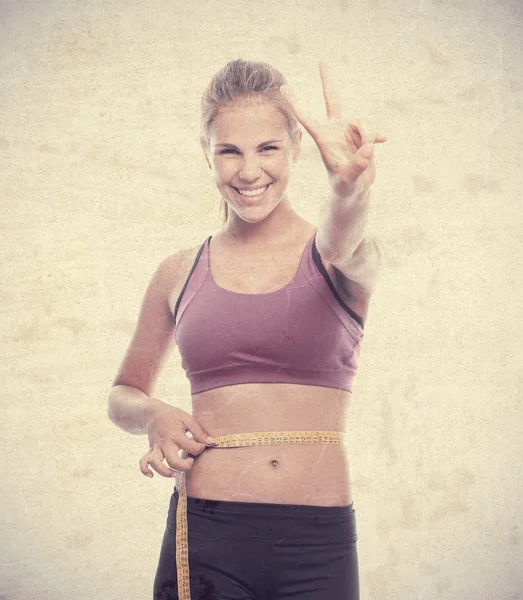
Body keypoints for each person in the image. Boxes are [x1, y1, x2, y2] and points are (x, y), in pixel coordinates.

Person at [107, 58, 387, 600]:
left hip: (319, 544)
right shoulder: (178, 272)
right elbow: (123, 393)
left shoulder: (335, 258)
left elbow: (347, 237)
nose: (249, 170)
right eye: (229, 150)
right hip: (206, 536)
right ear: (207, 155)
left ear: (297, 149)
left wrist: (350, 189)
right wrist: (154, 415)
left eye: (267, 148)